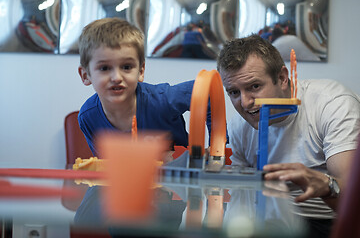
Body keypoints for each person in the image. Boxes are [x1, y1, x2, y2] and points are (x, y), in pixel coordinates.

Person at [217, 34, 360, 237]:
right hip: (271, 223)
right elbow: (242, 200)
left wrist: (327, 186)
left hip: (332, 223)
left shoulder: (332, 104)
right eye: (233, 92)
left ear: (283, 78)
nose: (246, 102)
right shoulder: (239, 125)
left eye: (254, 87)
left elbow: (354, 201)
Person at [77, 17, 210, 156]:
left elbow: (204, 92)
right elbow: (105, 166)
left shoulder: (162, 100)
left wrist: (216, 150)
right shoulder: (88, 117)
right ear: (85, 75)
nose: (116, 77)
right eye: (104, 68)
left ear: (140, 71)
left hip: (179, 175)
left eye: (126, 67)